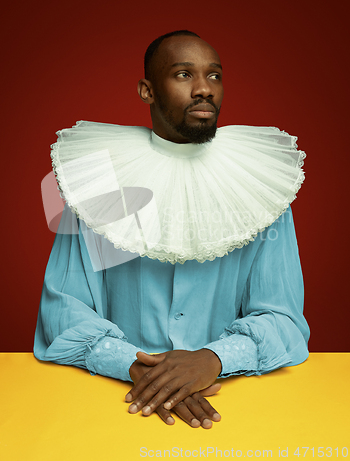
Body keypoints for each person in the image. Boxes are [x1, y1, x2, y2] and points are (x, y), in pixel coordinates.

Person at [34, 30, 310, 429]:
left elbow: (284, 319)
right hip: (115, 403)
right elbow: (63, 311)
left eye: (214, 76)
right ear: (147, 90)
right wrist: (137, 367)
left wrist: (213, 359)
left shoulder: (261, 186)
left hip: (235, 405)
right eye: (183, 75)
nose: (204, 89)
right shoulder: (98, 181)